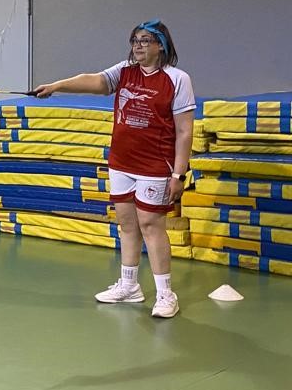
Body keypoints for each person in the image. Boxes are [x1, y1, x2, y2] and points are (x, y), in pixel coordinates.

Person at [33, 19, 195, 318]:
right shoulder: (124, 71)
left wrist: (178, 174)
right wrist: (57, 85)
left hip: (155, 165)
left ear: (161, 44)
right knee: (127, 225)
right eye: (134, 40)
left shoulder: (177, 79)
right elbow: (93, 80)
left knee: (151, 226)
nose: (138, 45)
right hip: (121, 163)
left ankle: (165, 294)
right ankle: (130, 286)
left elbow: (184, 131)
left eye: (145, 40)